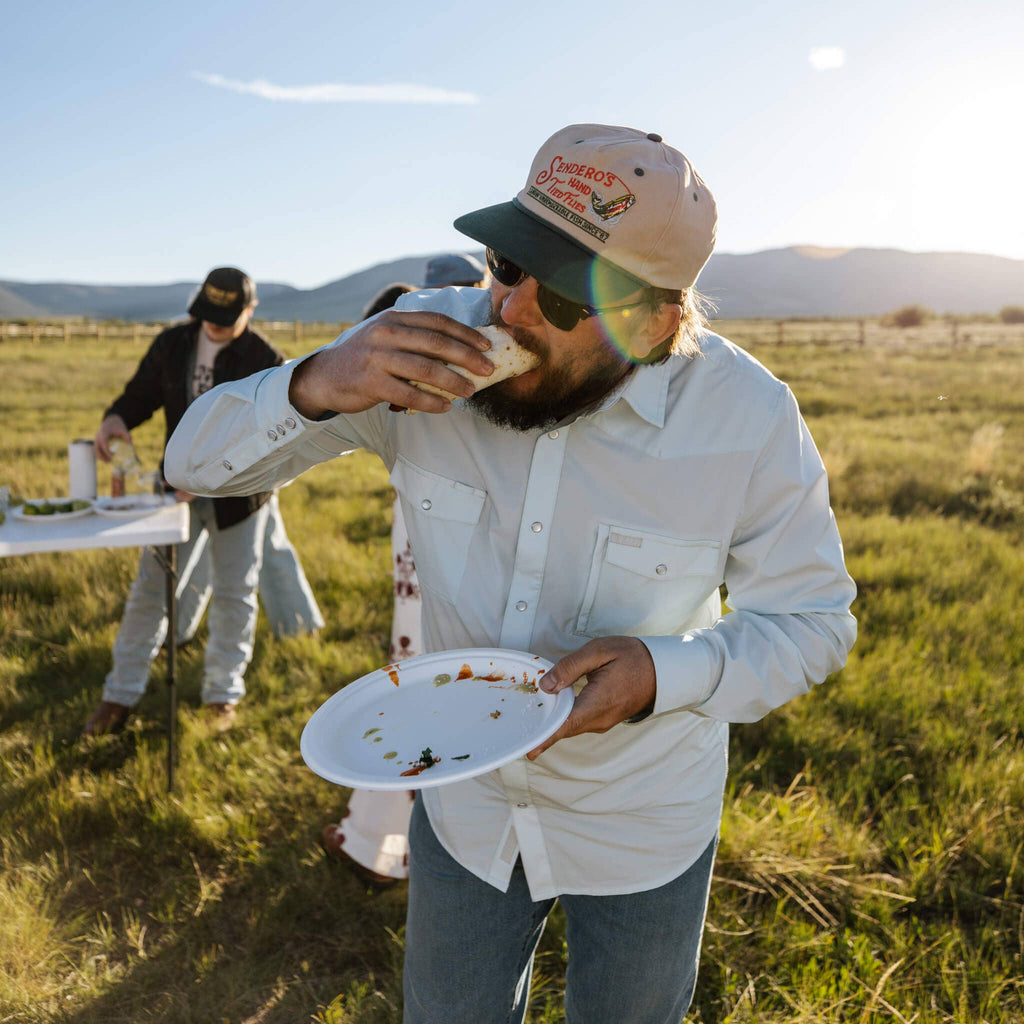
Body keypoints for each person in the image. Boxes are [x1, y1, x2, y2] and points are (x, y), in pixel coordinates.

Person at [166, 125, 857, 1022]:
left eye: (566, 295)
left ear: (655, 323)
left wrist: (661, 673)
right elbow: (193, 467)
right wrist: (317, 382)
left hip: (643, 818)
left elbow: (814, 621)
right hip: (465, 809)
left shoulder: (746, 416)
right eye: (506, 260)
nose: (512, 309)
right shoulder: (418, 346)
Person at [320, 262, 490, 885]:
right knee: (420, 668)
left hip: (447, 523)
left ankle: (384, 836)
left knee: (428, 668)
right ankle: (381, 835)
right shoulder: (437, 340)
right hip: (428, 521)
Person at [85, 266, 284, 736]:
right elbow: (142, 394)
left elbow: (271, 437)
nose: (213, 325)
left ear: (250, 311)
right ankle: (119, 694)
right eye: (207, 315)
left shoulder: (266, 358)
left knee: (235, 592)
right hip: (175, 490)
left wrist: (212, 476)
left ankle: (222, 695)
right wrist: (116, 418)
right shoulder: (173, 343)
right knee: (150, 590)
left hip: (241, 497)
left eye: (225, 317)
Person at [174, 487, 324, 644]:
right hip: (205, 480)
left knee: (265, 538)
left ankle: (297, 628)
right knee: (209, 543)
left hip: (248, 481)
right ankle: (176, 631)